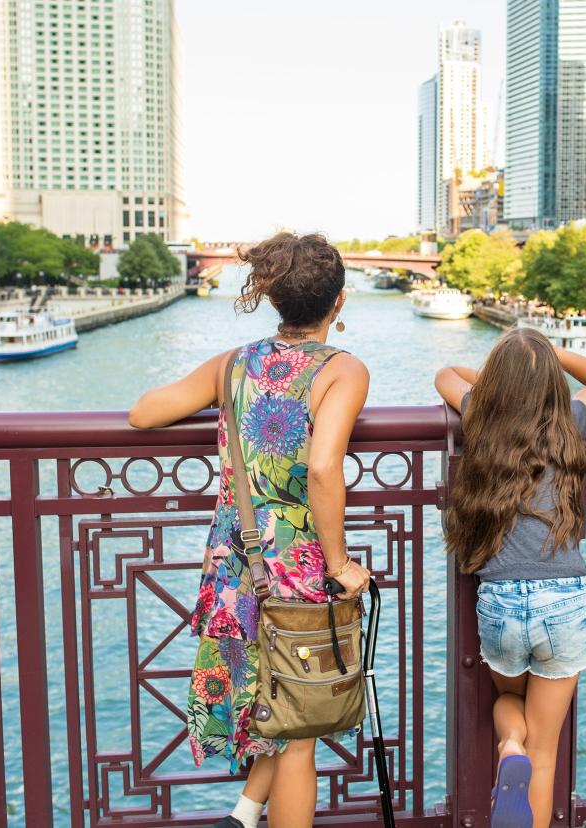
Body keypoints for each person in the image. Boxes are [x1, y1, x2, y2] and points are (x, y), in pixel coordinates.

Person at [128, 232, 372, 828]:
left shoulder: (233, 364)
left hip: (236, 559)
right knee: (299, 725)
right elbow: (322, 467)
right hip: (298, 564)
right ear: (338, 303)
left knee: (270, 702)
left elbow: (143, 413)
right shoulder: (343, 370)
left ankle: (241, 817)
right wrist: (339, 565)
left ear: (274, 298)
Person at [435, 328, 586, 828]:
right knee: (547, 747)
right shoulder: (571, 422)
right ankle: (522, 752)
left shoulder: (480, 417)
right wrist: (550, 354)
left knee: (510, 700)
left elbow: (443, 375)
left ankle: (509, 745)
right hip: (565, 601)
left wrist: (498, 372)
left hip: (501, 602)